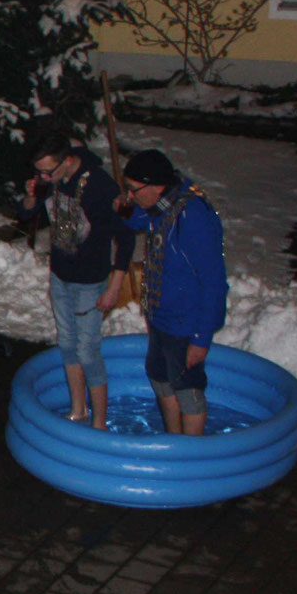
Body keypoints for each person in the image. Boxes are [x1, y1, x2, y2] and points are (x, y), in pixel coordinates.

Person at [18, 127, 136, 429]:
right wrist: (31, 197)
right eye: (39, 172)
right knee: (67, 343)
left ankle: (99, 423)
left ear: (68, 161)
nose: (44, 177)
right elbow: (26, 216)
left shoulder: (101, 187)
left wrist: (114, 288)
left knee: (88, 350)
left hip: (90, 282)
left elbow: (126, 239)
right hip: (60, 275)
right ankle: (77, 409)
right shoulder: (51, 179)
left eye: (47, 172)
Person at [120, 149, 228, 436]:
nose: (130, 195)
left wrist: (201, 338)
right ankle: (173, 440)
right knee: (159, 378)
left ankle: (190, 458)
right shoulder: (161, 205)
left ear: (156, 186)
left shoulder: (193, 217)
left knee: (188, 391)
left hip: (185, 323)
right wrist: (124, 207)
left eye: (133, 189)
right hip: (160, 316)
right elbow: (135, 222)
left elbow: (214, 283)